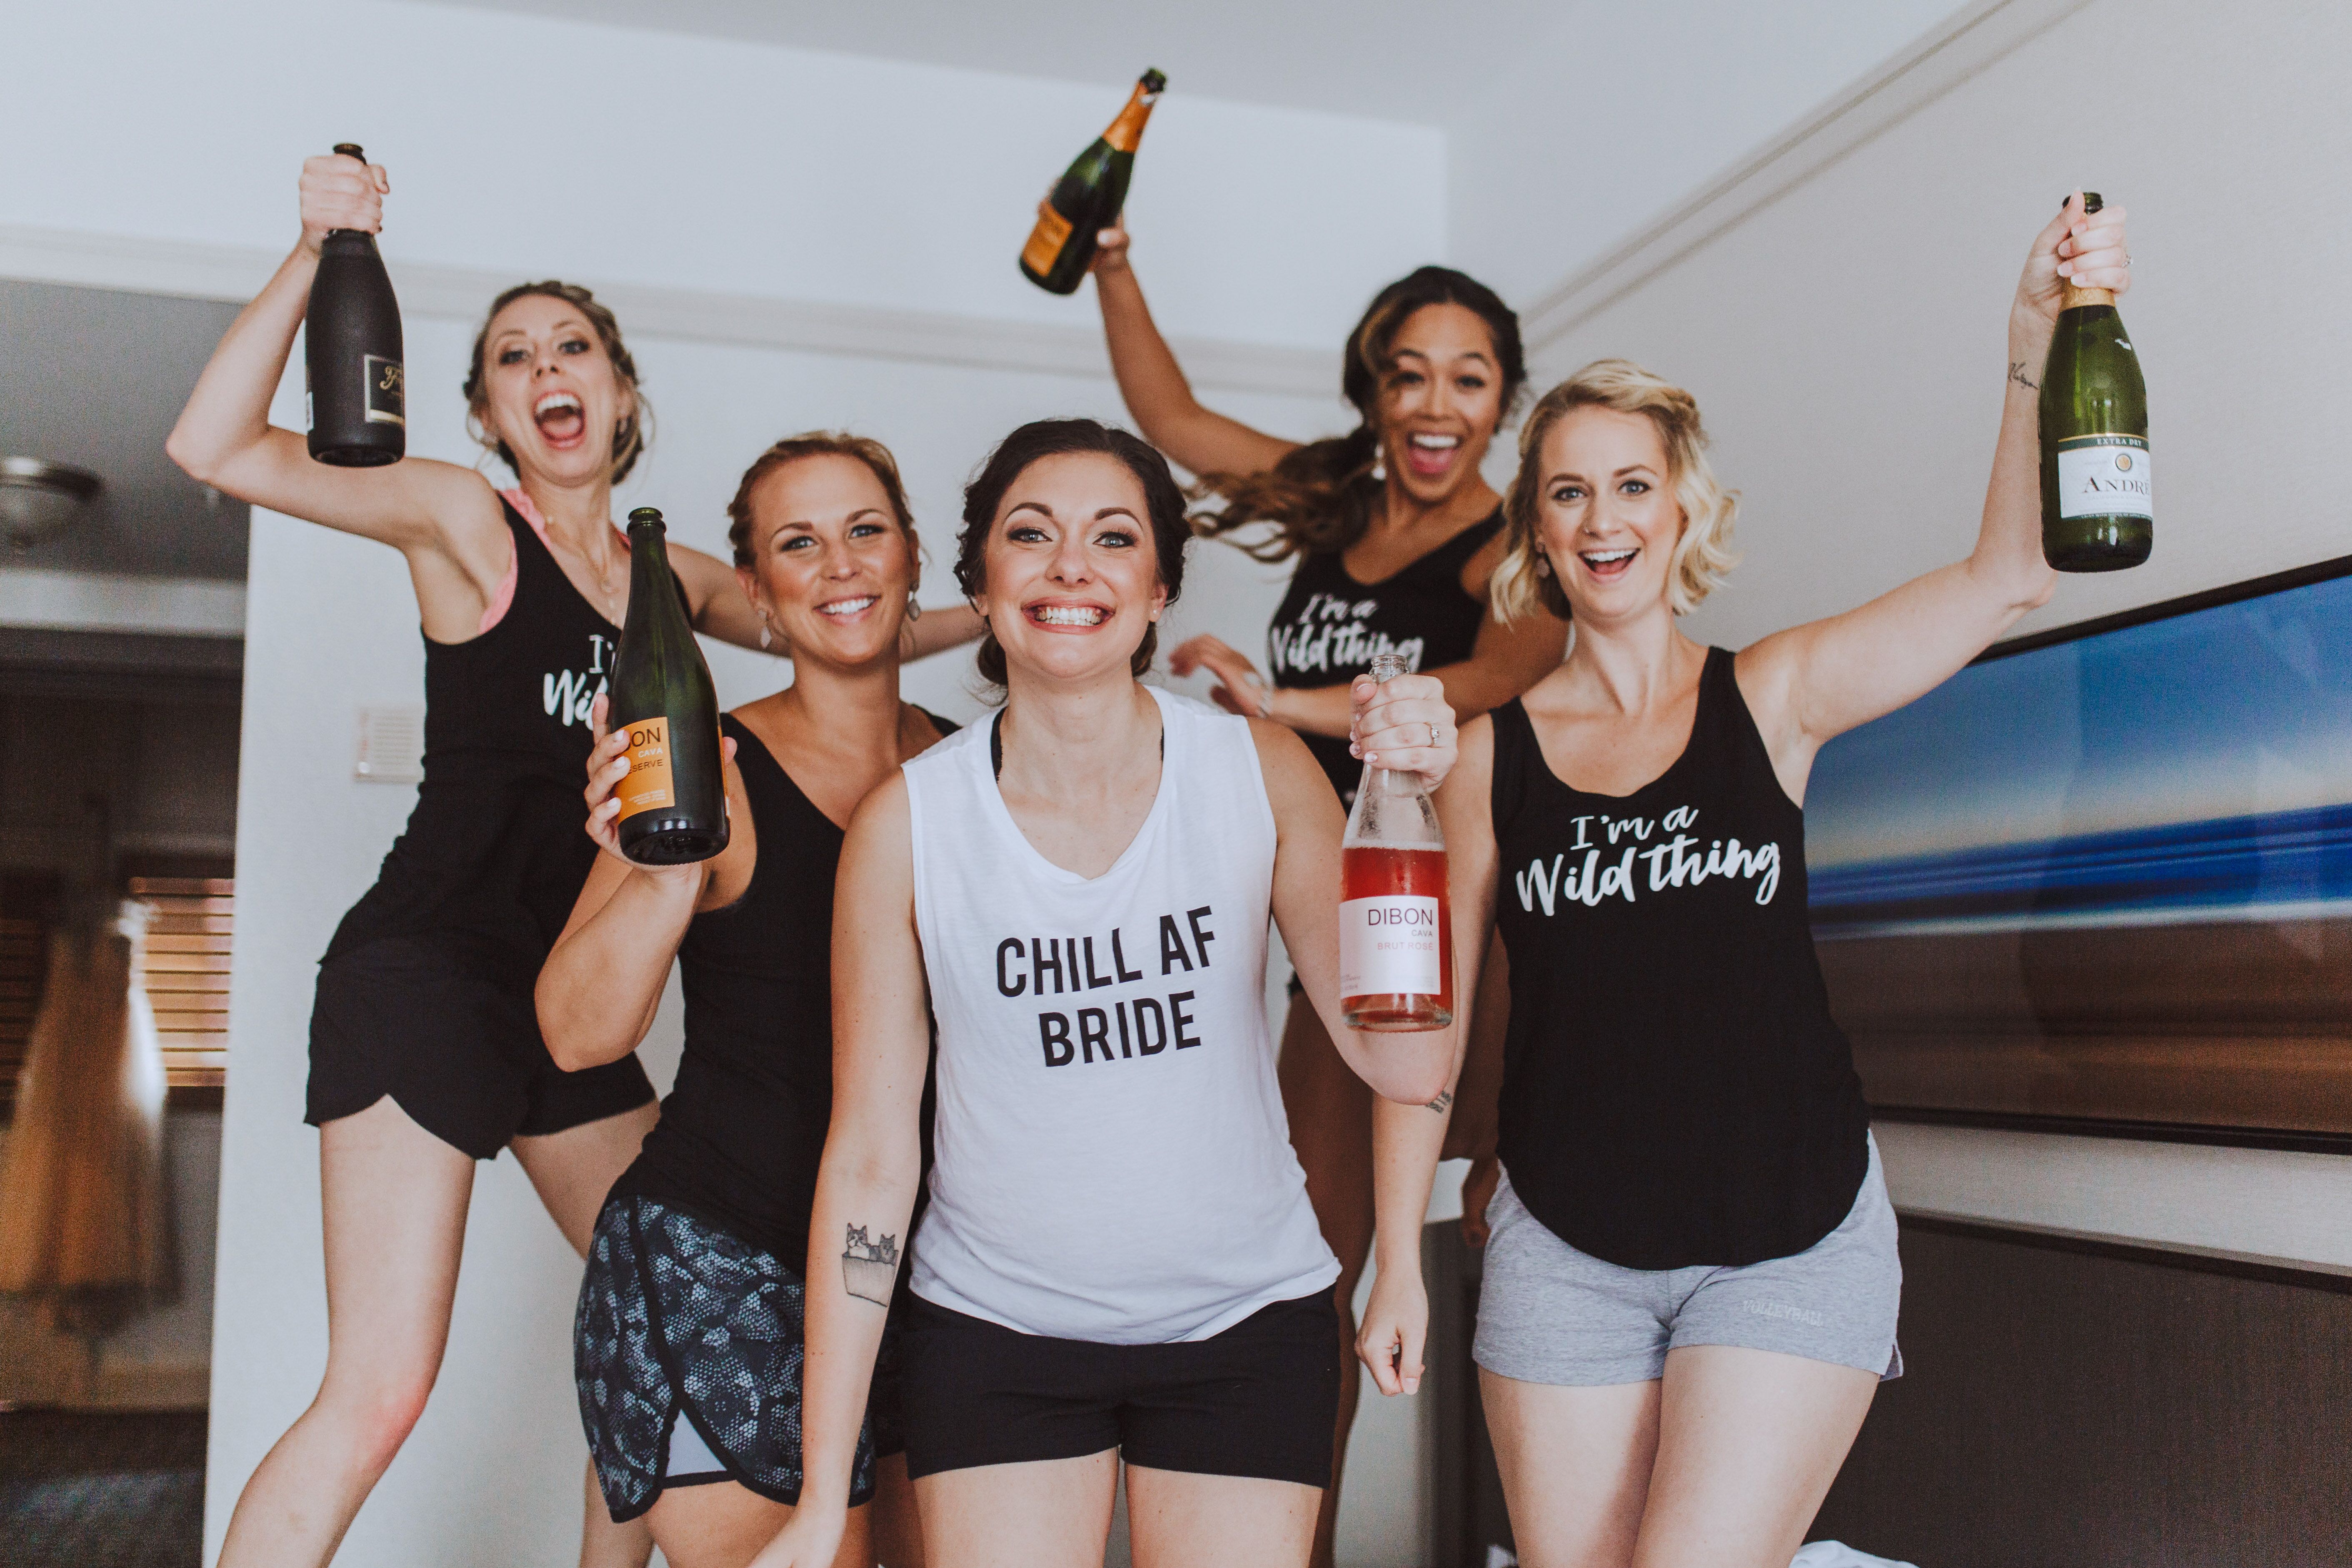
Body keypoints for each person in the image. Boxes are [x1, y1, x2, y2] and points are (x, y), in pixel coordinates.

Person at [163, 153, 972, 1568]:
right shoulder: (469, 523)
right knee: (383, 1388)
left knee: (658, 1281)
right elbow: (214, 450)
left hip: (565, 998)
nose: (549, 368)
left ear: (623, 393)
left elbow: (844, 614)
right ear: (485, 410)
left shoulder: (665, 585)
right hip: (429, 971)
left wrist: (1035, 621)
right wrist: (313, 251)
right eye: (514, 355)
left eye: (575, 345)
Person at [1355, 195, 2134, 1566]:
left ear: (1682, 507)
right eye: (1568, 490)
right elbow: (1423, 1031)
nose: (1603, 518)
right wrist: (1389, 1256)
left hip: (1787, 1231)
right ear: (1536, 533)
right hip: (1564, 1245)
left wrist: (2031, 337)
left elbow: (2010, 572)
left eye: (1633, 483)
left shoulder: (1768, 699)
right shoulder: (1487, 760)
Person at [748, 418, 1459, 1568]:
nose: (1070, 566)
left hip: (1245, 1324)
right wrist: (822, 1493)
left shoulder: (1257, 771)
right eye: (1030, 535)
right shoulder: (907, 824)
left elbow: (1408, 1062)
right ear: (979, 582)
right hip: (994, 1335)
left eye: (1111, 537)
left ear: (1157, 584)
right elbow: (872, 1155)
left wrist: (1409, 810)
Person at [1082, 221, 1567, 1560]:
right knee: (1308, 1279)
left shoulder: (1507, 549)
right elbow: (1168, 415)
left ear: (1502, 403)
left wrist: (1268, 700)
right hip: (1343, 934)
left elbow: (1490, 684)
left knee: (1512, 1254)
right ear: (1371, 390)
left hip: (1482, 939)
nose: (1434, 405)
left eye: (1468, 379)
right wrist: (1113, 259)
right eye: (1407, 374)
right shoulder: (1341, 502)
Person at [540, 434, 950, 1568]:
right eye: (797, 544)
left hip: (909, 1279)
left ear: (912, 556)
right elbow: (576, 1032)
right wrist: (665, 869)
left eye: (865, 530)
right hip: (721, 1264)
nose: (840, 565)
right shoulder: (702, 764)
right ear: (759, 593)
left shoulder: (973, 773)